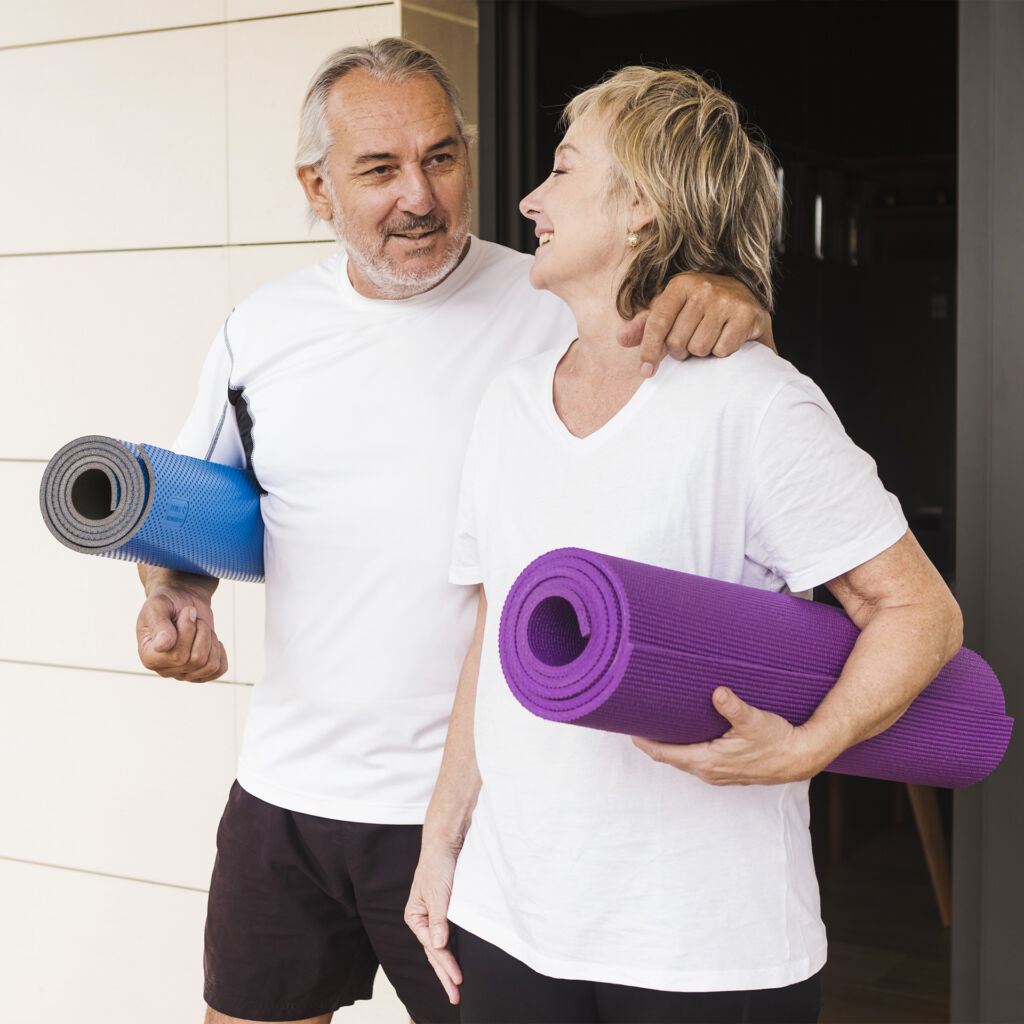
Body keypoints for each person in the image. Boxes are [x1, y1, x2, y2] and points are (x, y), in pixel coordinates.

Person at [132, 39, 772, 1024]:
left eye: (440, 157)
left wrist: (733, 305)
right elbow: (194, 509)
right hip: (284, 794)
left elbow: (720, 392)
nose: (420, 196)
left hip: (473, 811)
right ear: (316, 186)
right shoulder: (258, 331)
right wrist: (173, 596)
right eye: (378, 170)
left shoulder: (554, 300)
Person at [405, 66, 963, 1023]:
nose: (531, 199)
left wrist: (811, 745)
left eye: (564, 170)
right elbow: (497, 634)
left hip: (703, 952)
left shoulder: (754, 403)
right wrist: (441, 840)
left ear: (645, 211)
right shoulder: (507, 405)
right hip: (511, 921)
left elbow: (918, 610)